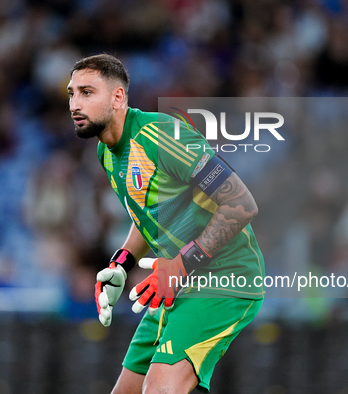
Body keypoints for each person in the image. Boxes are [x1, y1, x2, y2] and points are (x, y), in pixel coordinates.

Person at [67, 54, 265, 394]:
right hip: (178, 283)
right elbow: (146, 217)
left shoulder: (161, 135)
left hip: (225, 276)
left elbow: (242, 203)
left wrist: (183, 263)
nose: (74, 104)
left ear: (118, 98)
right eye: (71, 93)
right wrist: (122, 262)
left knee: (159, 389)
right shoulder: (106, 152)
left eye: (87, 92)